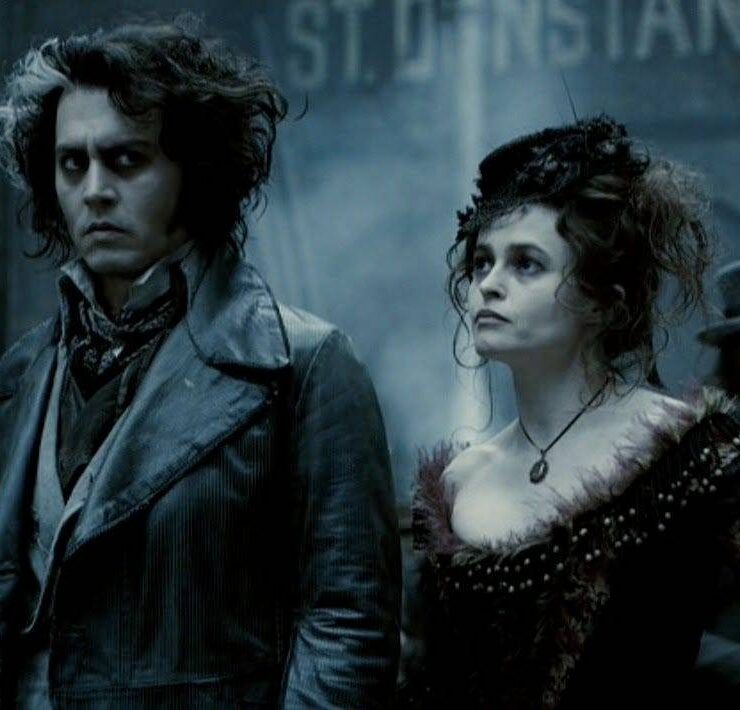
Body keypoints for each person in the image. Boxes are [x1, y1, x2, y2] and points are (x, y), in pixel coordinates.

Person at [0, 21, 400, 708]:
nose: (94, 190)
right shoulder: (22, 374)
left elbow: (347, 630)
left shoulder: (303, 366)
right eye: (72, 164)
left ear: (194, 170)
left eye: (126, 160)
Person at [402, 116, 740, 708]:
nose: (489, 285)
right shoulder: (459, 483)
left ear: (604, 300)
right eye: (482, 263)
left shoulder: (686, 453)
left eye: (526, 263)